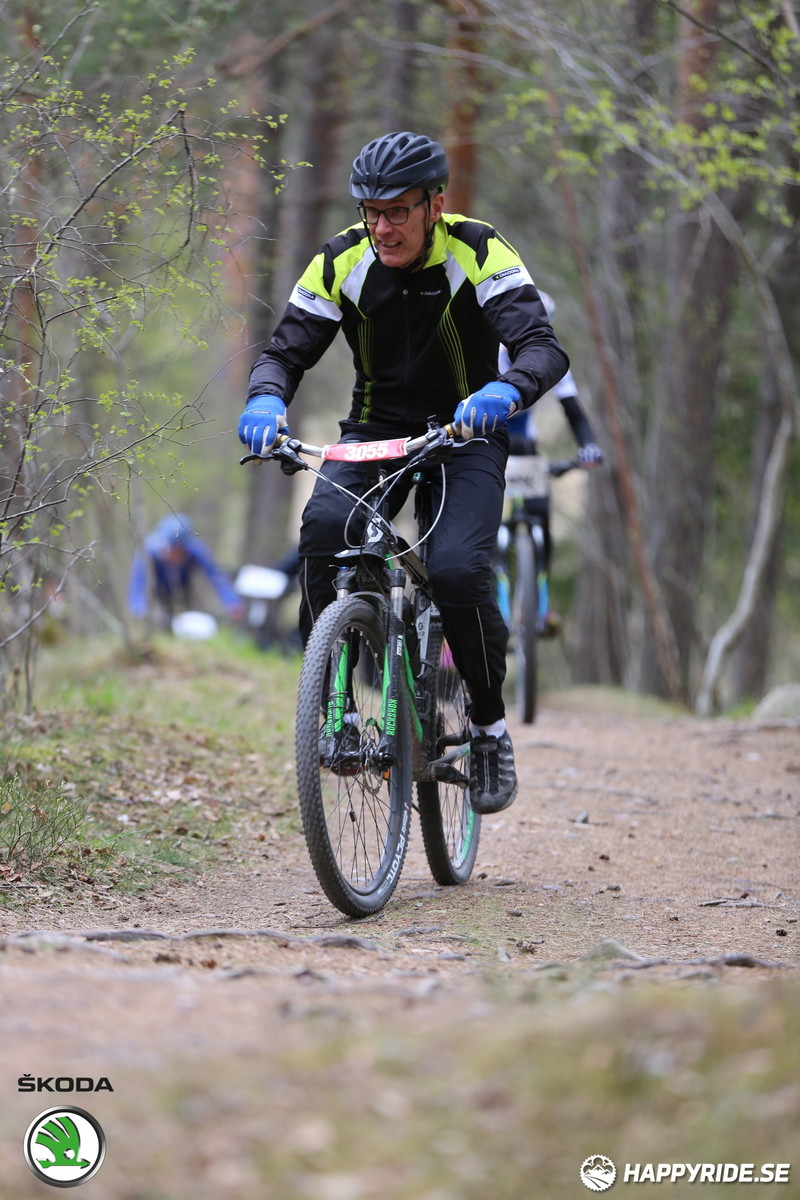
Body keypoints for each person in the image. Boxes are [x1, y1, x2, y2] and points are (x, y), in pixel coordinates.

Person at [237, 131, 569, 815]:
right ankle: (337, 712)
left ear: (433, 204)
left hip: (465, 431)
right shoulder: (342, 259)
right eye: (371, 212)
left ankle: (486, 727)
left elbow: (540, 346)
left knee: (456, 573)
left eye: (396, 211)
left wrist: (506, 392)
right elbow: (285, 351)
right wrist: (266, 397)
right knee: (324, 533)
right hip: (374, 434)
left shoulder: (478, 249)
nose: (382, 226)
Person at [502, 292, 603, 636]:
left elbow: (575, 412)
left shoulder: (550, 361)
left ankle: (539, 608)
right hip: (485, 443)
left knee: (541, 518)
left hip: (525, 448)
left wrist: (588, 446)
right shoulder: (491, 352)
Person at [128, 513, 244, 627]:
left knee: (186, 622)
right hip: (157, 589)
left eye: (180, 551)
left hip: (184, 588)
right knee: (159, 621)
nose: (176, 556)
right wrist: (138, 607)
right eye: (173, 550)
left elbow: (215, 576)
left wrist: (232, 602)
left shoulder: (196, 550)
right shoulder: (150, 550)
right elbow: (138, 581)